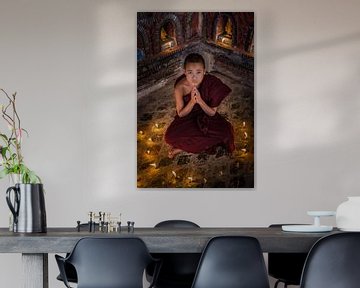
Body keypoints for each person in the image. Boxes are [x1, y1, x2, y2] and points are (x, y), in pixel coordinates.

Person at [165, 53, 235, 158]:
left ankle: (180, 149)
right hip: (188, 117)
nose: (194, 77)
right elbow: (181, 114)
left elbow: (212, 113)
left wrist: (200, 101)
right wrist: (192, 102)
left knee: (226, 133)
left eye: (198, 72)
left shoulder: (211, 82)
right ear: (185, 73)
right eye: (190, 73)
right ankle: (191, 145)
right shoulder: (180, 87)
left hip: (206, 116)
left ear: (204, 72)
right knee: (169, 137)